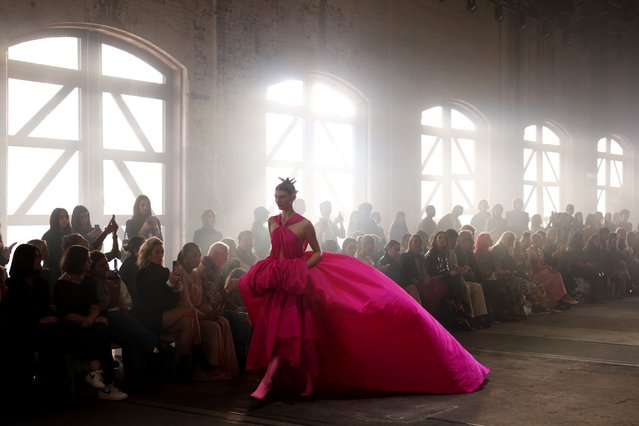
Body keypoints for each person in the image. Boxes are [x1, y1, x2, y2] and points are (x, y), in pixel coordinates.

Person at [239, 178, 489, 400]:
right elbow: (274, 251)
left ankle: (269, 381)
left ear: (293, 198)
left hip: (298, 281)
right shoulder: (271, 222)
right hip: (277, 280)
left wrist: (302, 269)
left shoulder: (304, 224)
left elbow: (316, 252)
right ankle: (308, 380)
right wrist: (271, 270)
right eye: (276, 197)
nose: (278, 201)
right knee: (290, 331)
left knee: (292, 330)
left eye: (282, 197)